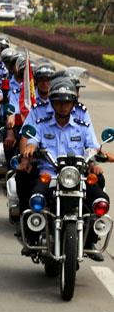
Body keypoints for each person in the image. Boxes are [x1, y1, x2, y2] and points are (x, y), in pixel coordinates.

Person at [17, 76, 114, 259]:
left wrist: (99, 158)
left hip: (77, 176)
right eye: (58, 102)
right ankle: (32, 238)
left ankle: (90, 239)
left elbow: (92, 146)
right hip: (50, 175)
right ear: (52, 103)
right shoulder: (42, 124)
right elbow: (33, 140)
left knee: (101, 200)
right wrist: (30, 148)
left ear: (73, 104)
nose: (63, 106)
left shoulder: (82, 126)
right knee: (35, 199)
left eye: (67, 102)